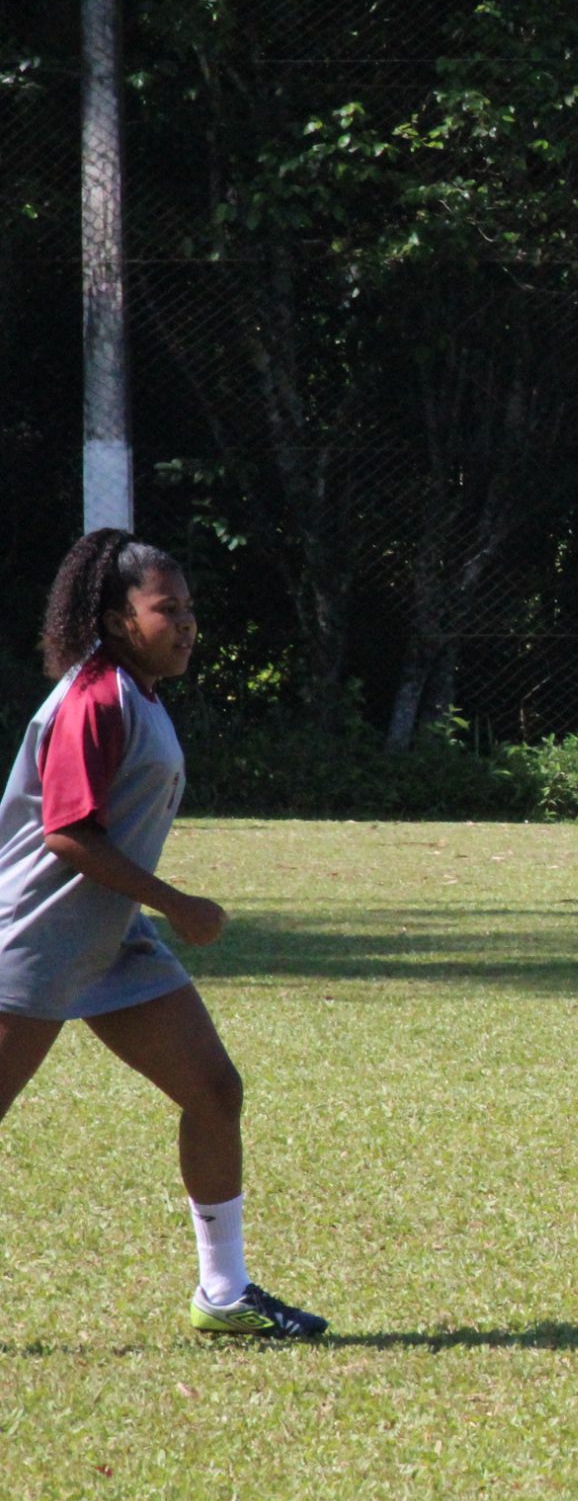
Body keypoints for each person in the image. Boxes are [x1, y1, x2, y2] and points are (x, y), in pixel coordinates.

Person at [0, 530, 328, 1339]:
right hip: (34, 935)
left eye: (188, 609)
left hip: (110, 935)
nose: (185, 624)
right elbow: (67, 834)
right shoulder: (94, 696)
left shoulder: (134, 690)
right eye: (166, 609)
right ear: (118, 618)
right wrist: (179, 903)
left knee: (214, 1091)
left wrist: (152, 912)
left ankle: (224, 1292)